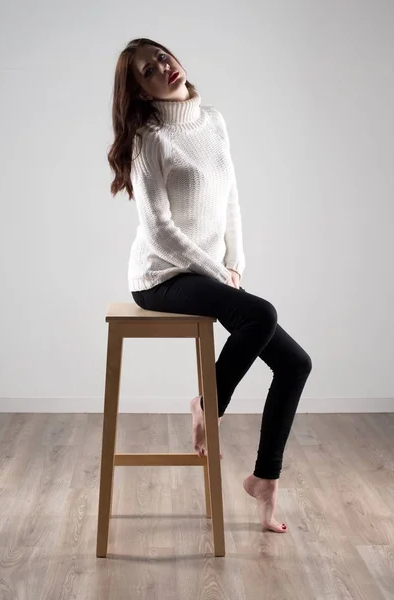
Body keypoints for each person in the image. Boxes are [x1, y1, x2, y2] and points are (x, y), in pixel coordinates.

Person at [107, 37, 312, 533]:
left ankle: (265, 479)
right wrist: (217, 273)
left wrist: (234, 264)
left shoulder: (213, 121)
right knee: (260, 314)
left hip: (208, 272)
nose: (163, 67)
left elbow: (231, 202)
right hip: (162, 278)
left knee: (295, 363)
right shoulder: (149, 139)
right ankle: (208, 403)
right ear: (138, 90)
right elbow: (158, 229)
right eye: (147, 69)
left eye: (162, 56)